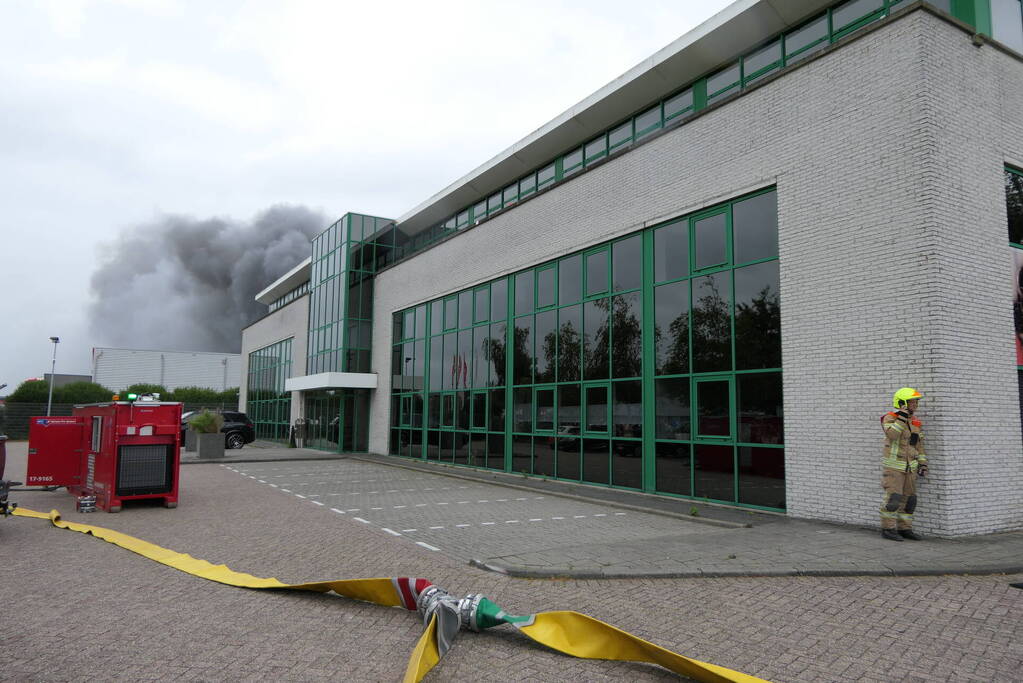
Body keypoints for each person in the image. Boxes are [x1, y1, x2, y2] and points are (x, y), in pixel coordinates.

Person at [879, 387, 928, 541]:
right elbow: (892, 435)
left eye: (916, 402)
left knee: (909, 500)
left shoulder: (915, 423)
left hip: (910, 469)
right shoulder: (890, 418)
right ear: (902, 403)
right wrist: (902, 417)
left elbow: (918, 446)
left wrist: (922, 464)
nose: (915, 404)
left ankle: (905, 529)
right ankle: (888, 529)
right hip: (894, 468)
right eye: (912, 401)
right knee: (893, 499)